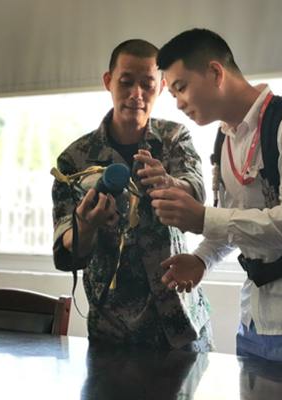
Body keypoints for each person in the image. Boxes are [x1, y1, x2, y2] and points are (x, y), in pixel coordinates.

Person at [151, 29, 282, 369]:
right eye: (173, 94)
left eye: (181, 87)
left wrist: (202, 218)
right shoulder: (225, 140)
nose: (178, 102)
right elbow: (235, 222)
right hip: (255, 320)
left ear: (215, 72)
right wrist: (202, 259)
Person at [51, 39, 213, 352]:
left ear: (161, 87)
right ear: (108, 81)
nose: (136, 94)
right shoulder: (76, 159)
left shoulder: (173, 138)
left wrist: (169, 183)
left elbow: (196, 191)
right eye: (126, 82)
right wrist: (86, 224)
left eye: (147, 84)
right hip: (113, 330)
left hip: (178, 324)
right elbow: (67, 253)